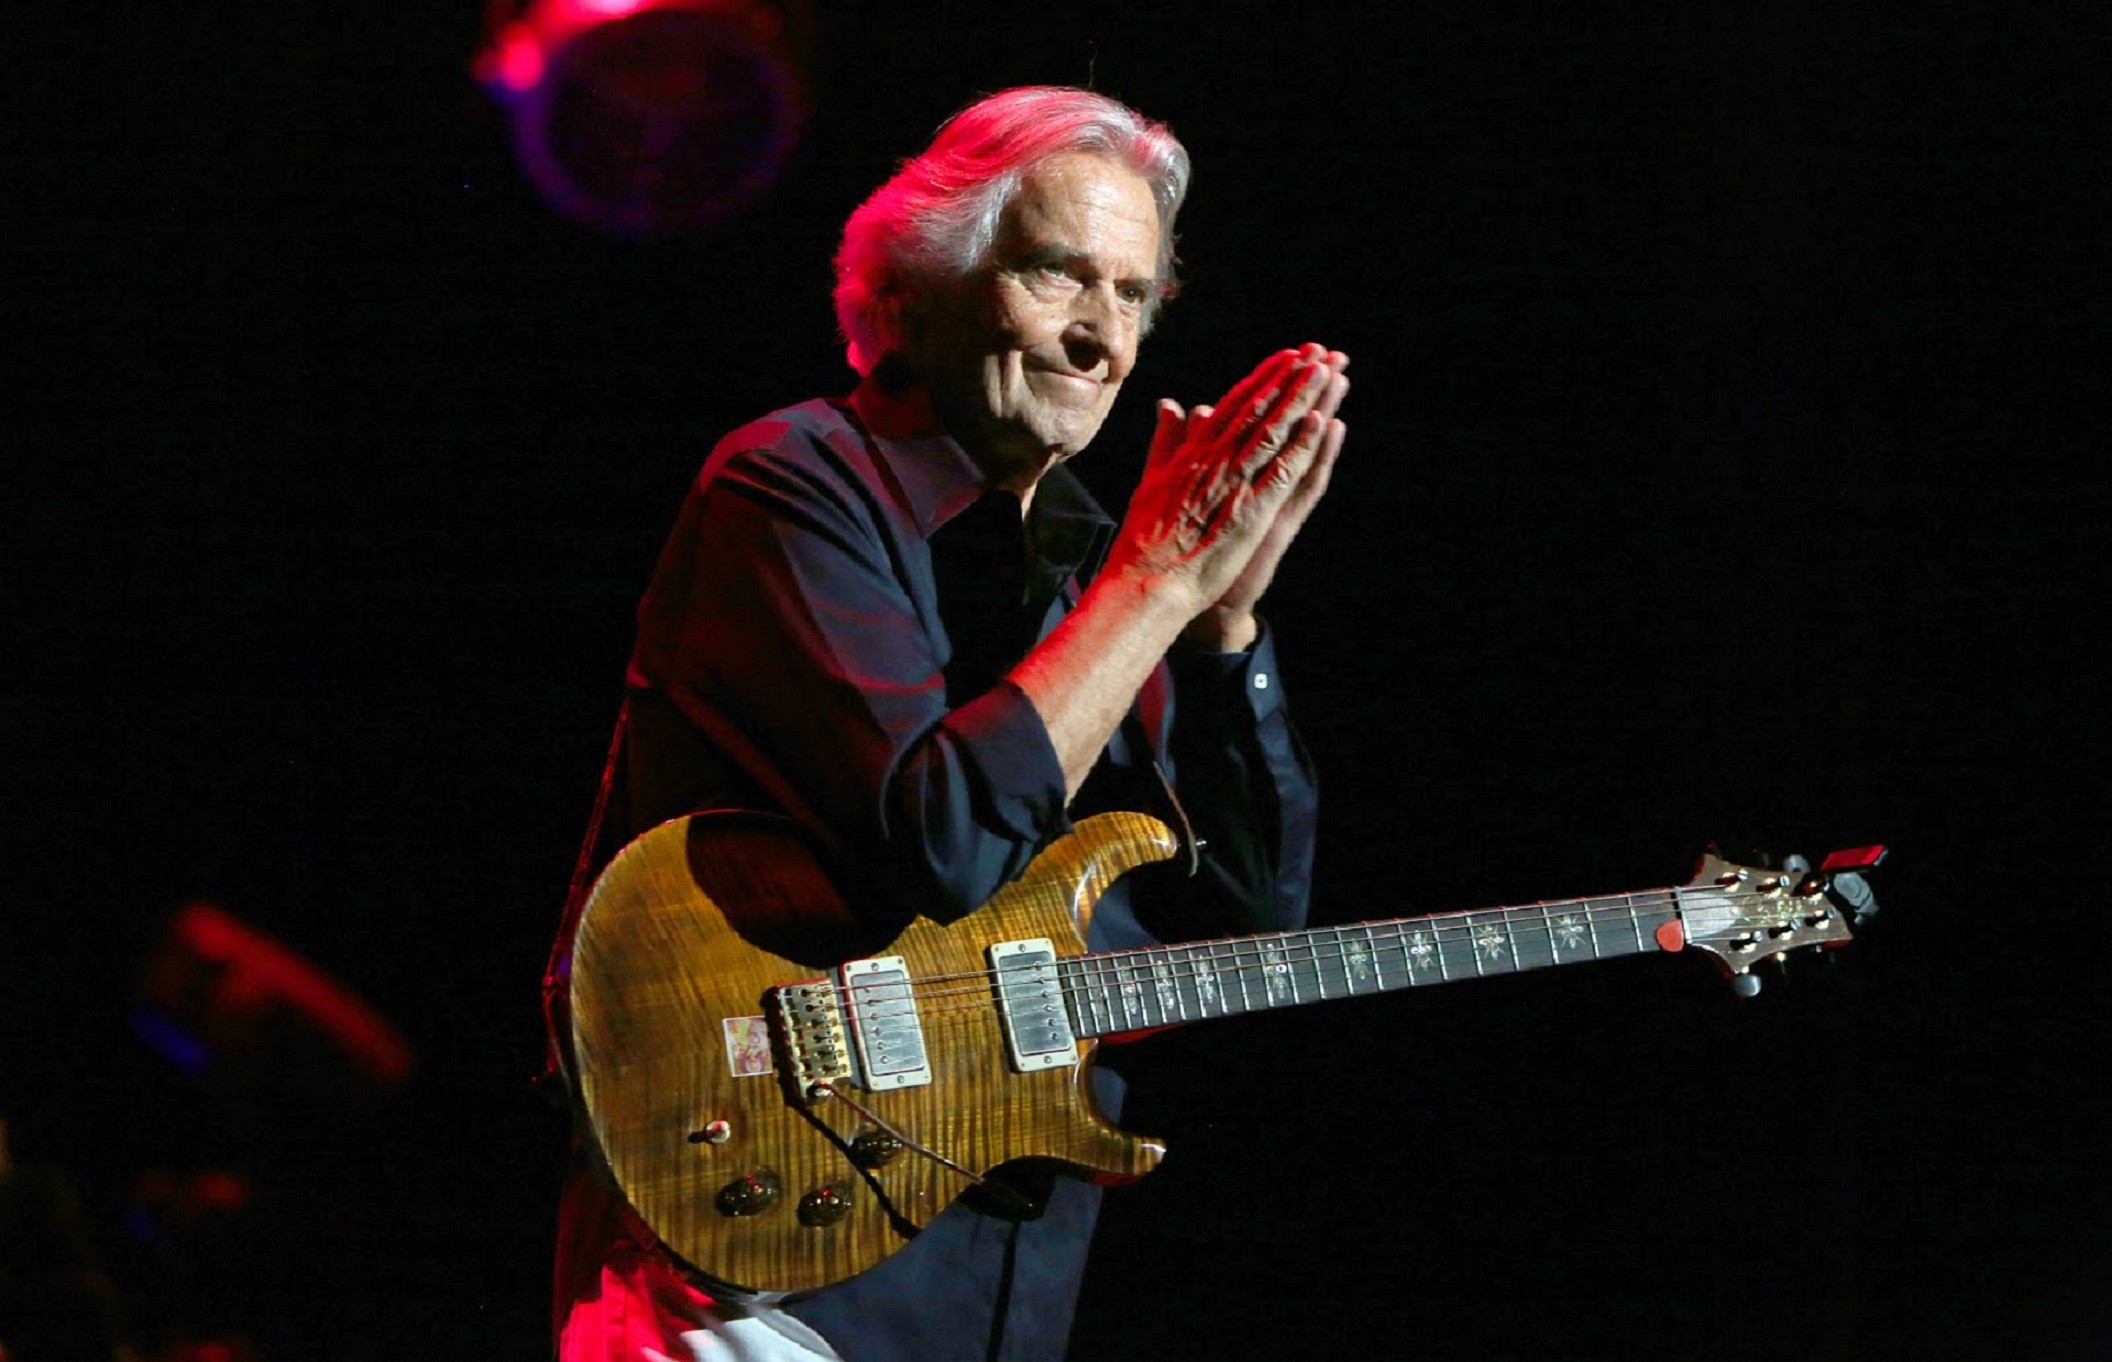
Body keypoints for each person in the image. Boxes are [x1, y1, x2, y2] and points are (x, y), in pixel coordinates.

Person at [550, 85, 1349, 1362]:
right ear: (919, 286)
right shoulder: (795, 484)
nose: (1104, 340)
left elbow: (1250, 925)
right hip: (749, 1280)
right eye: (1057, 276)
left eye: (1135, 297)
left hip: (997, 1287)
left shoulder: (1116, 576)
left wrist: (1219, 636)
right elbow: (940, 847)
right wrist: (1156, 585)